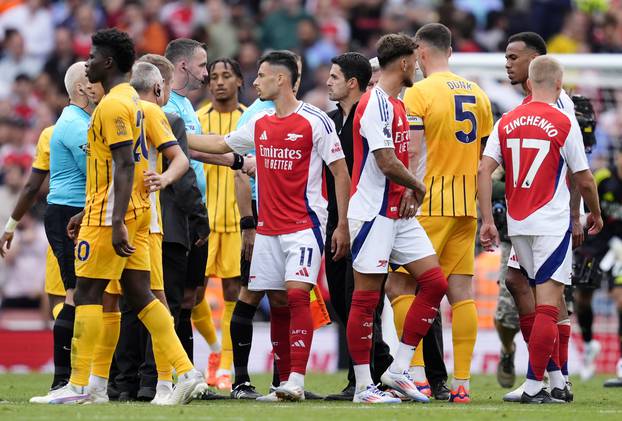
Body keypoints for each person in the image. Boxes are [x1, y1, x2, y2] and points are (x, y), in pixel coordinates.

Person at [48, 28, 206, 405]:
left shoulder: (115, 106)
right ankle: (184, 372)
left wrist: (114, 219)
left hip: (113, 215)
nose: (87, 62)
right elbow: (121, 165)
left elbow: (123, 164)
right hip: (128, 210)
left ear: (108, 61)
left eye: (92, 56)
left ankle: (81, 385)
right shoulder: (135, 106)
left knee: (88, 292)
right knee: (141, 294)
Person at [188, 50, 351, 401]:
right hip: (267, 228)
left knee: (295, 294)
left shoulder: (315, 120)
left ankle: (296, 379)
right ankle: (282, 383)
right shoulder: (259, 123)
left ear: (281, 79)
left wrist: (343, 224)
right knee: (277, 300)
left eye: (261, 75)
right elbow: (220, 144)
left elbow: (340, 170)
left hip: (304, 224)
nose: (255, 81)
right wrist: (171, 137)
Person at [478, 55, 603, 403]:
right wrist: (594, 214)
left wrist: (487, 220)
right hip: (550, 223)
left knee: (526, 291)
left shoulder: (507, 121)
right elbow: (585, 178)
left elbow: (483, 171)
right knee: (548, 303)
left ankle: (558, 380)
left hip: (518, 225)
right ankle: (536, 384)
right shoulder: (564, 121)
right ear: (559, 85)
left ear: (530, 82)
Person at [346, 33, 447, 404]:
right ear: (404, 63)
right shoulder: (374, 104)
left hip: (397, 214)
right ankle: (362, 388)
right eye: (416, 62)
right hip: (372, 213)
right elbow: (385, 160)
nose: (419, 67)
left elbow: (396, 162)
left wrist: (407, 189)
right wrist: (418, 185)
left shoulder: (398, 105)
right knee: (366, 299)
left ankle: (399, 370)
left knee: (435, 283)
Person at [395, 23, 493, 403]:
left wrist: (407, 192)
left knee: (402, 285)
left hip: (428, 204)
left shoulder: (418, 93)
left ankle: (416, 376)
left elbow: (414, 151)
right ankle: (463, 384)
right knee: (461, 294)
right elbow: (487, 159)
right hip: (465, 206)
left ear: (420, 50)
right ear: (449, 50)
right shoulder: (478, 94)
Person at [1, 62, 102, 402]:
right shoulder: (75, 127)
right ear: (83, 88)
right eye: (95, 80)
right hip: (72, 215)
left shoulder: (72, 125)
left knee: (87, 296)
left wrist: (10, 225)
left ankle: (90, 379)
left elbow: (32, 186)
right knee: (76, 295)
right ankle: (66, 381)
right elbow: (95, 175)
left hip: (74, 213)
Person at [499, 32, 583, 402]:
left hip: (549, 217)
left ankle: (547, 379)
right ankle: (557, 376)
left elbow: (577, 169)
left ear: (535, 62)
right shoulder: (528, 107)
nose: (507, 63)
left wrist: (575, 217)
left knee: (545, 292)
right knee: (521, 282)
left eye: (514, 57)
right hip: (532, 216)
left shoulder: (559, 109)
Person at [322, 52, 393, 401]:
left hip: (362, 221)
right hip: (335, 220)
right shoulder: (330, 121)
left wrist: (347, 225)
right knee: (341, 300)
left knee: (361, 300)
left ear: (352, 83)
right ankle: (384, 366)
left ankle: (365, 378)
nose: (328, 82)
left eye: (334, 77)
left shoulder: (367, 120)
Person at [195, 58, 246, 391]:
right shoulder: (196, 120)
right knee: (193, 293)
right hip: (202, 222)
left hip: (237, 222)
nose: (219, 82)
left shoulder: (251, 117)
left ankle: (224, 366)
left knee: (233, 293)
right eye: (213, 77)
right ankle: (214, 348)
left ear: (240, 80)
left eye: (226, 76)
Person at [575, 149, 622, 387]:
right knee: (582, 298)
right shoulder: (603, 177)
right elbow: (584, 207)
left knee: (621, 299)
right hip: (595, 244)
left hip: (620, 248)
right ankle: (588, 343)